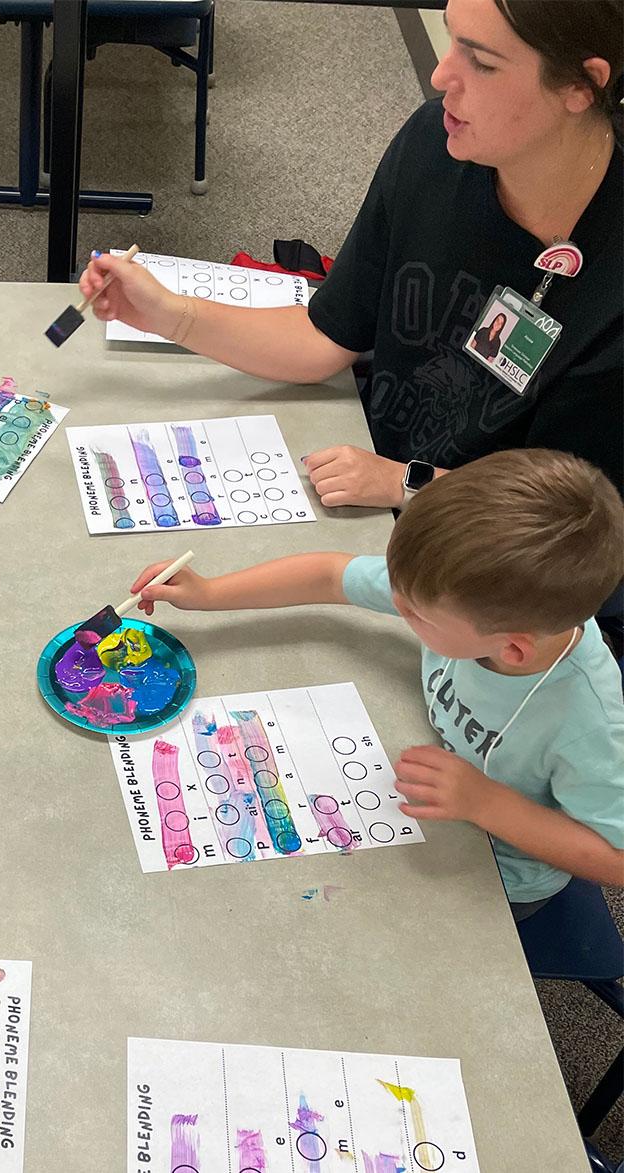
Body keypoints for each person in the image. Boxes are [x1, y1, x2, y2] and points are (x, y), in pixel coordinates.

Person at [80, 0, 623, 508]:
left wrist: (407, 484)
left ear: (581, 85)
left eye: (480, 62)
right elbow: (326, 337)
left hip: (504, 562)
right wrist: (169, 314)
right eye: (451, 40)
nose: (440, 77)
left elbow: (578, 528)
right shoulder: (436, 144)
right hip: (373, 475)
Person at [130, 449, 624, 919]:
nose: (398, 608)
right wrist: (211, 592)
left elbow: (616, 862)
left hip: (497, 876)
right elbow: (328, 575)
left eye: (416, 616)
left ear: (511, 649)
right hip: (432, 801)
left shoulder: (590, 723)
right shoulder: (455, 592)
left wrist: (486, 802)